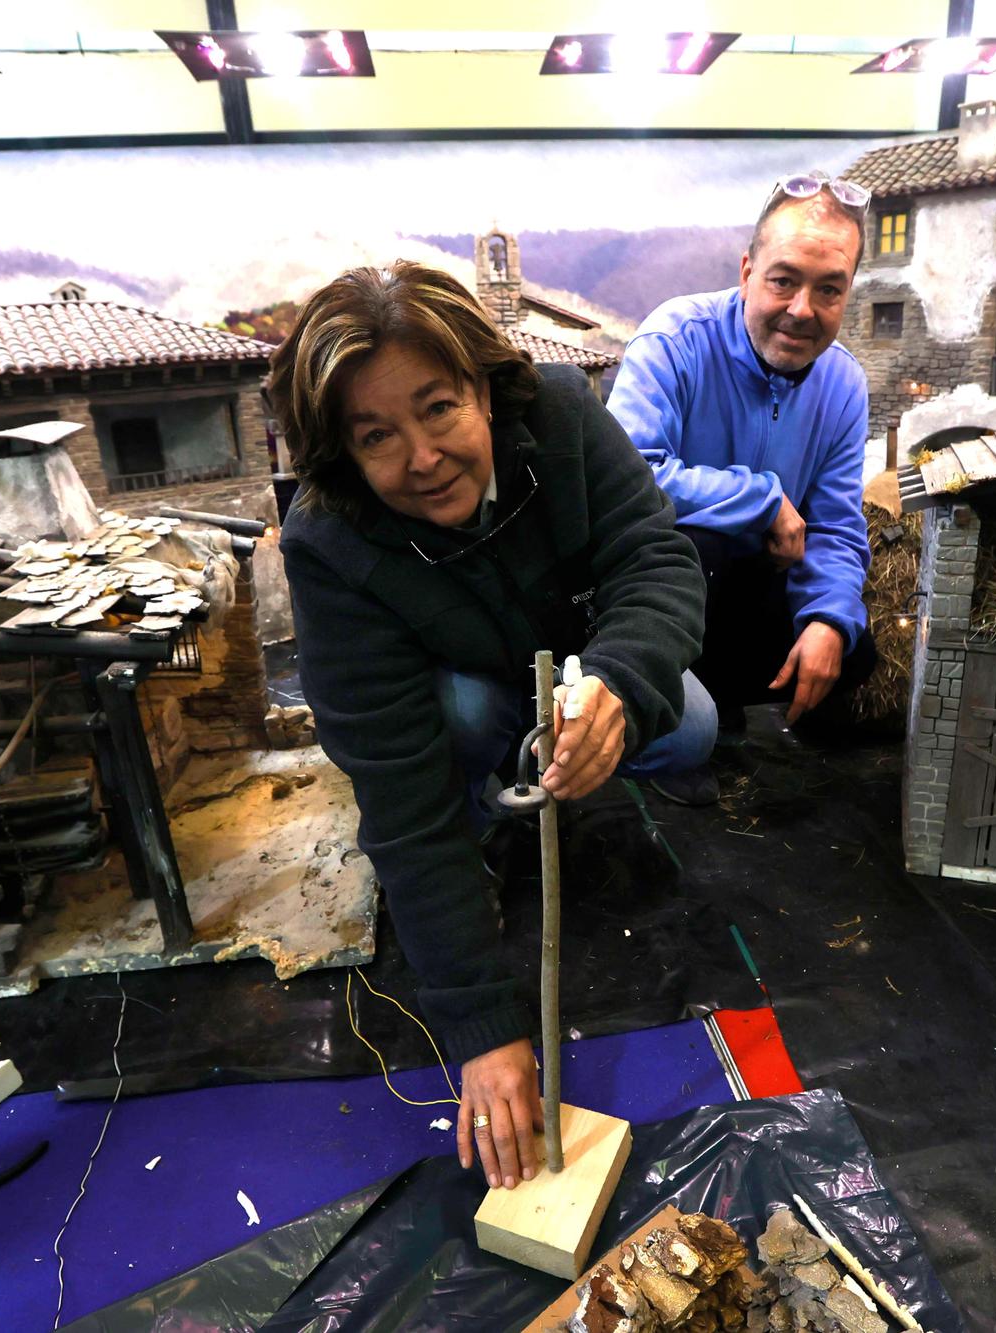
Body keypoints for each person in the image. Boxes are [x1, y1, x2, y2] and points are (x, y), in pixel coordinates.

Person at [270, 262, 711, 1194]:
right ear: (342, 456)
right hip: (460, 693)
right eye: (376, 436)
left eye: (438, 409)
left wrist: (620, 689)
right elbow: (399, 801)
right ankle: (492, 823)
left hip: (574, 667)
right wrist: (483, 1029)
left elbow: (654, 558)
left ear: (482, 386)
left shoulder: (559, 412)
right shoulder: (328, 542)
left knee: (691, 721)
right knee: (463, 717)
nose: (422, 457)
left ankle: (566, 760)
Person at [608, 172, 877, 795]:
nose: (802, 311)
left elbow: (836, 525)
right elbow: (628, 478)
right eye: (783, 280)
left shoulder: (843, 385)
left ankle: (728, 715)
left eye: (828, 290)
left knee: (852, 647)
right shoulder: (675, 339)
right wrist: (760, 498)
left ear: (848, 293)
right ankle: (679, 726)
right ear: (747, 271)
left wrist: (829, 621)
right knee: (701, 550)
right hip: (661, 589)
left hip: (751, 587)